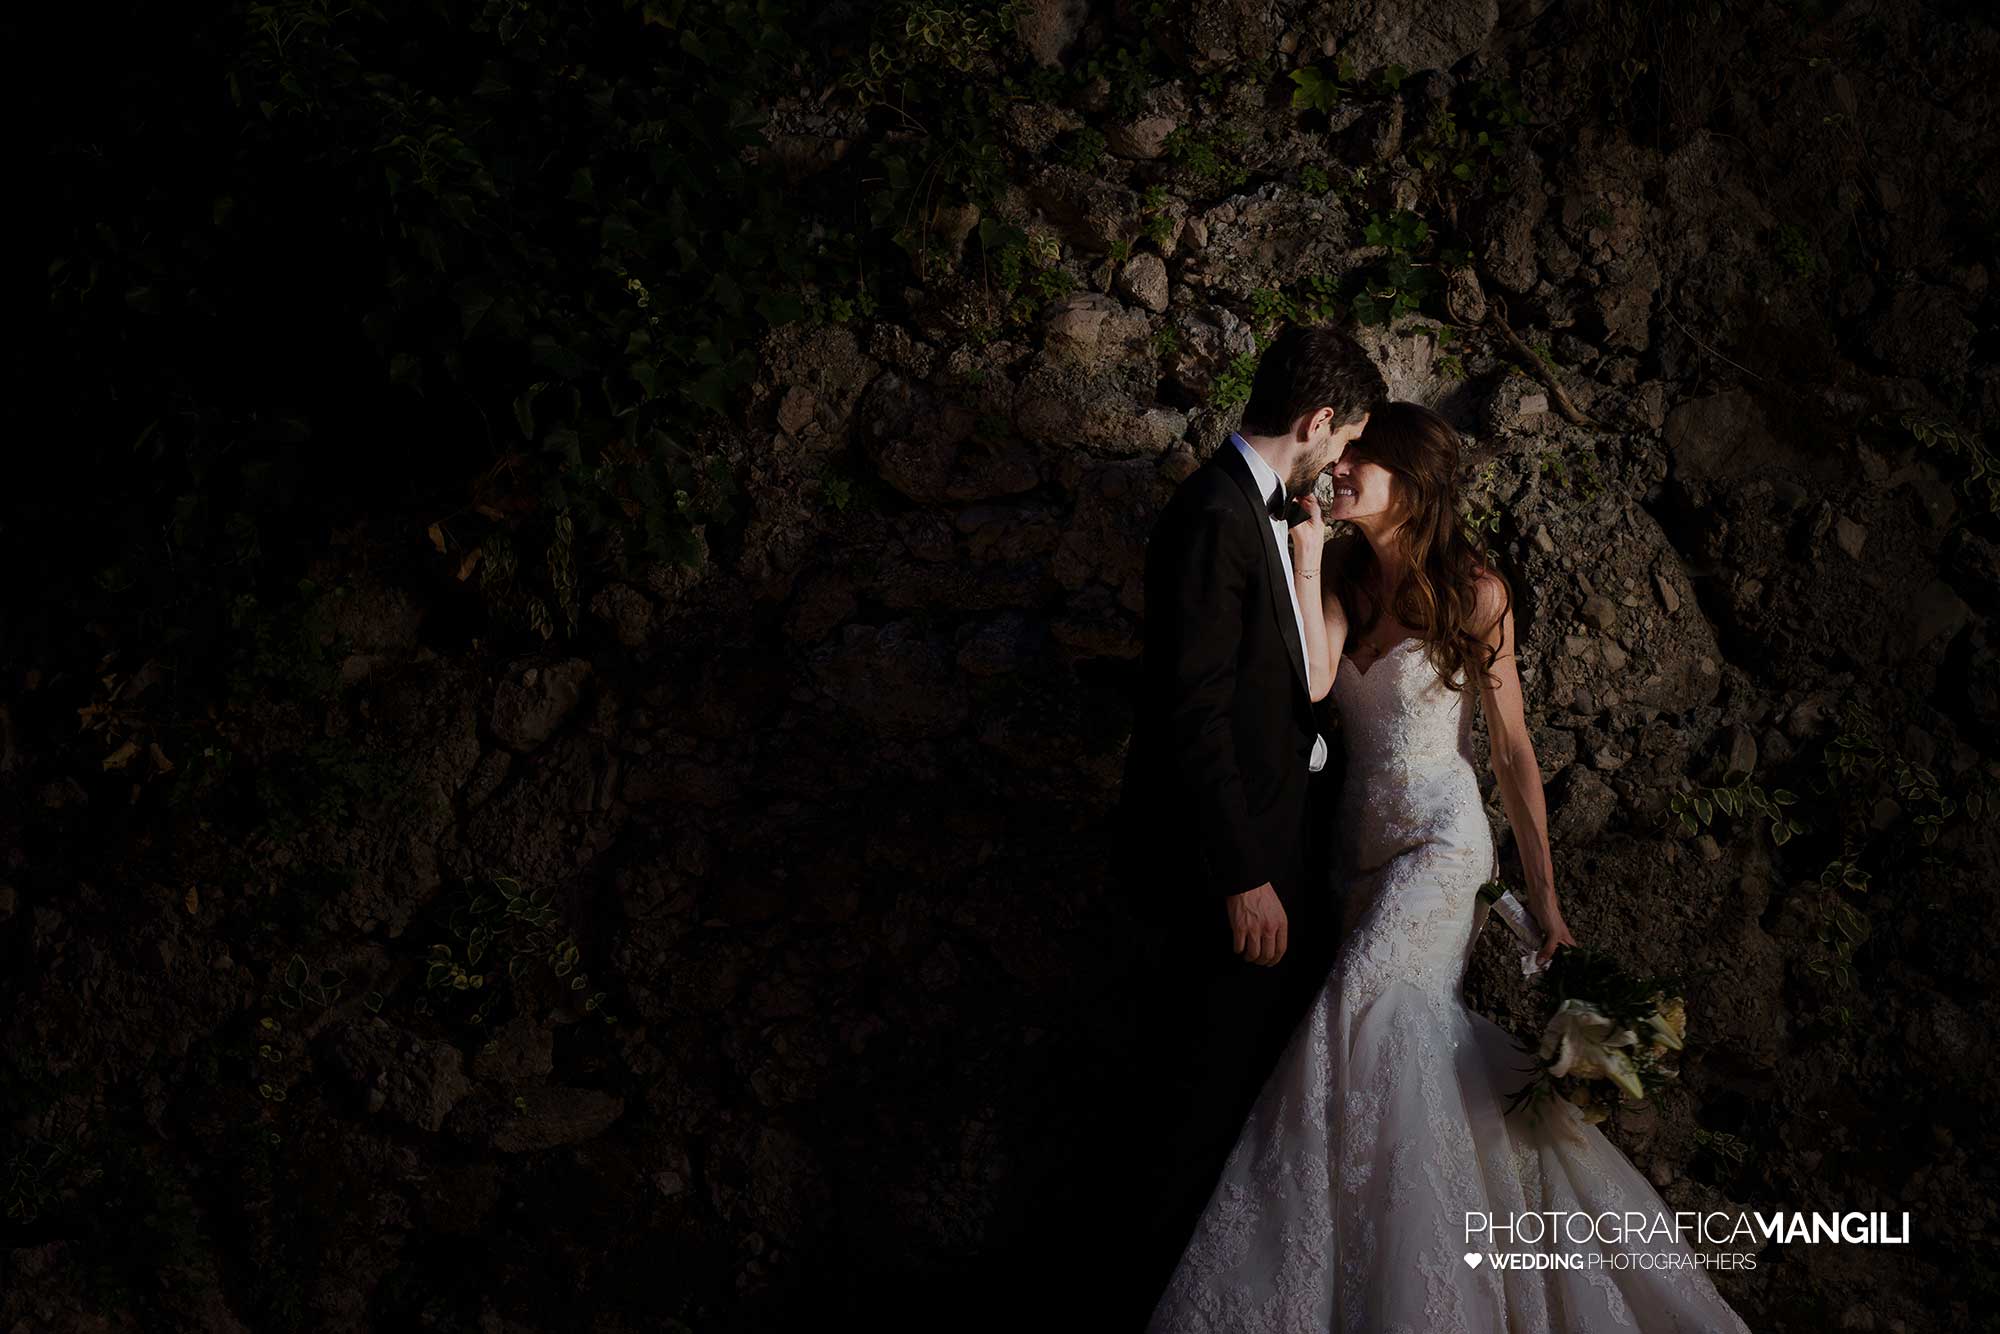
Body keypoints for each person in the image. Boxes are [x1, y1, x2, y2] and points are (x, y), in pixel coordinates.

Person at [1144, 399, 1753, 1331]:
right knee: (1396, 1053)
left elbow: (1510, 751)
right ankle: (1372, 1266)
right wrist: (1308, 556)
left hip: (1439, 844)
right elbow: (1314, 679)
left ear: (1413, 485)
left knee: (1363, 1008)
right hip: (1355, 857)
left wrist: (1544, 898)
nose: (1339, 470)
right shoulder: (1343, 571)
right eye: (1341, 459)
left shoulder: (1477, 590)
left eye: (1361, 465)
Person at [1113, 323, 1386, 1318]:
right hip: (1218, 880)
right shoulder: (1215, 515)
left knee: (1227, 1114)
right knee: (1183, 1122)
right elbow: (1188, 710)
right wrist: (1240, 874)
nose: (1342, 458)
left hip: (1273, 859)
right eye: (1343, 437)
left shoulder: (1265, 515)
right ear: (1314, 421)